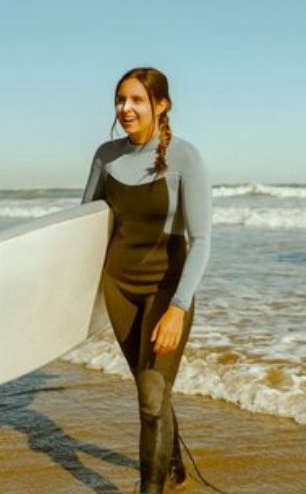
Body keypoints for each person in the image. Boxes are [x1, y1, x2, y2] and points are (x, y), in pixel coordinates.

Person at [82, 67, 212, 494]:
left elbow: (202, 240)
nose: (126, 108)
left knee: (151, 398)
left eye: (137, 100)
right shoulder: (106, 155)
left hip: (165, 288)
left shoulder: (185, 158)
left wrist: (178, 307)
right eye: (121, 100)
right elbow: (83, 226)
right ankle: (173, 466)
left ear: (162, 105)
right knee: (150, 391)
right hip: (119, 289)